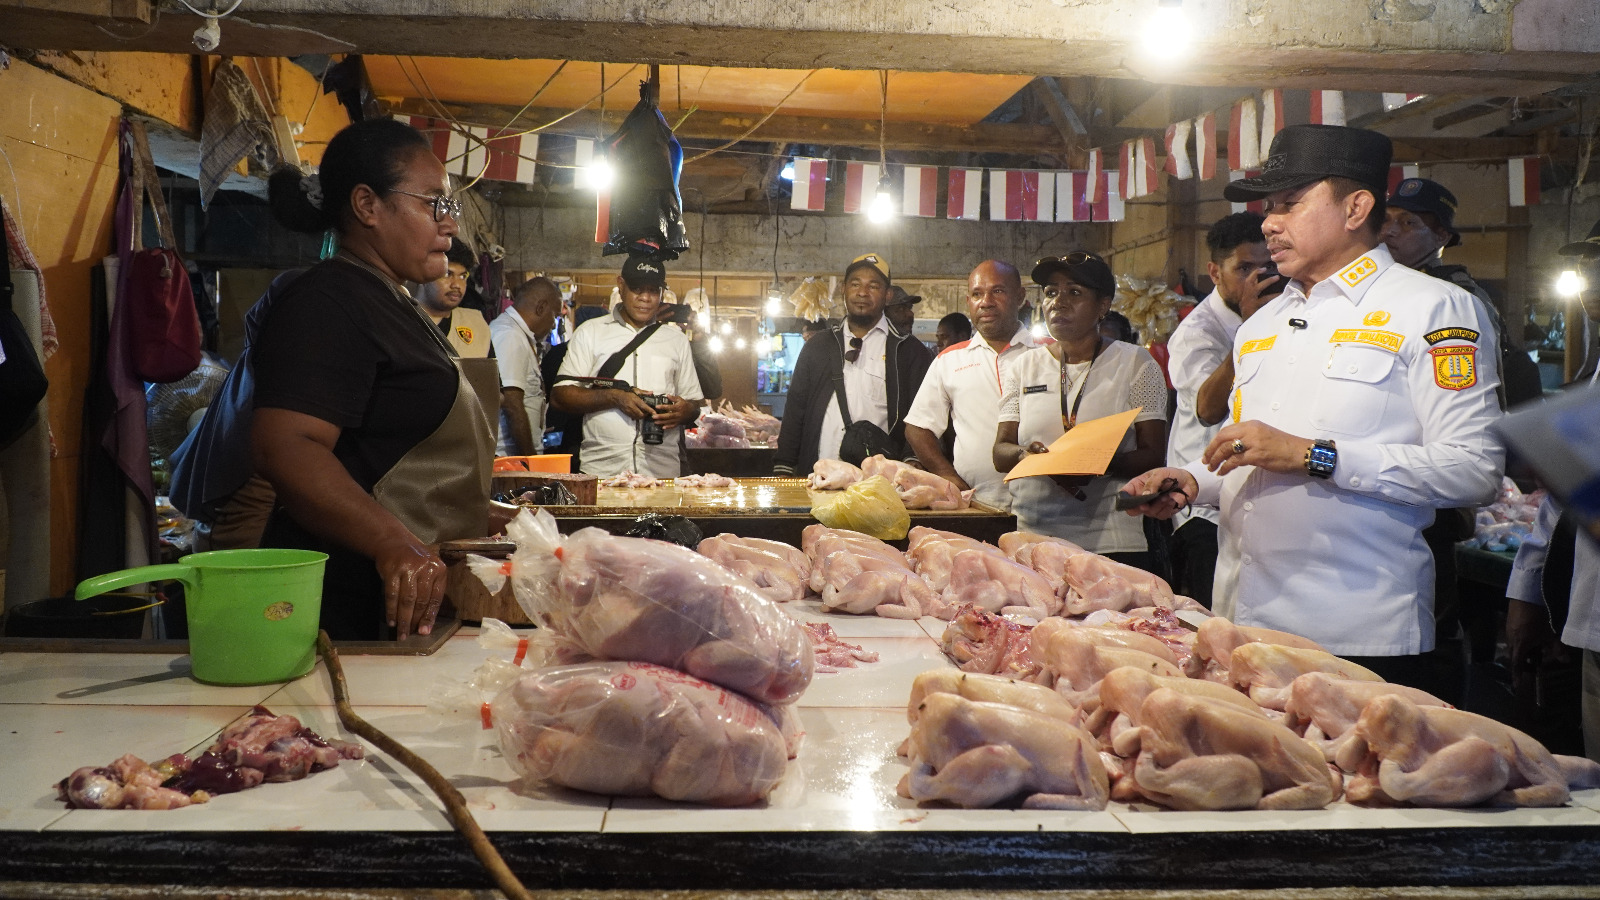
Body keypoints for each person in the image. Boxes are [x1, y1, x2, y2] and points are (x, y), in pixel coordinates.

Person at [1122, 124, 1504, 686]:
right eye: (1268, 207)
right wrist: (1192, 482)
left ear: (1356, 207)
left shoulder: (1434, 310)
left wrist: (1317, 456)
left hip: (1356, 636)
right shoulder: (1263, 324)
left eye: (1290, 204)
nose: (1269, 222)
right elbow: (1251, 455)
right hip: (1243, 624)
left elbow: (1473, 471)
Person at [253, 118, 503, 641]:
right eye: (432, 203)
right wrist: (393, 543)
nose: (449, 223)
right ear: (368, 205)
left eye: (449, 205)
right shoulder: (329, 300)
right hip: (354, 605)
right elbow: (287, 444)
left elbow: (394, 451)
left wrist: (489, 515)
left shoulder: (392, 300)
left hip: (413, 599)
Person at [993, 252, 1169, 567]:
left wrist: (1094, 463)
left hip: (1111, 540)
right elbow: (1000, 451)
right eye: (1050, 292)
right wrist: (1025, 456)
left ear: (1102, 306)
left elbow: (1154, 454)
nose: (1058, 302)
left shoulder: (1135, 363)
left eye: (1074, 292)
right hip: (1033, 535)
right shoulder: (1024, 366)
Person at [1505, 226, 1600, 762]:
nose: (1589, 279)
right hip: (1591, 622)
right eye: (1587, 265)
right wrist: (1528, 592)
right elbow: (1563, 502)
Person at [1163, 213, 1280, 606]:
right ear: (1214, 272)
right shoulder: (1198, 333)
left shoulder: (1282, 317)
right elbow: (1208, 410)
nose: (1256, 279)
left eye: (1266, 267)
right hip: (1201, 507)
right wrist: (1250, 328)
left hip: (1257, 495)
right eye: (1243, 268)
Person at [1382, 176, 1543, 410]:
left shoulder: (1459, 298)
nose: (1390, 231)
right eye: (1385, 220)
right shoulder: (1379, 285)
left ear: (1441, 236)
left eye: (1408, 223)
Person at [772, 253, 932, 476]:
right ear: (843, 290)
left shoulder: (909, 352)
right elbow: (795, 410)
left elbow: (922, 416)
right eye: (855, 284)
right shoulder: (818, 347)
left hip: (878, 487)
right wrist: (784, 467)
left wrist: (910, 464)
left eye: (873, 286)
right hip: (818, 479)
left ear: (887, 295)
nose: (862, 292)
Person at [903, 260, 1043, 511]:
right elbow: (917, 427)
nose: (986, 302)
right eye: (977, 294)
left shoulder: (1048, 354)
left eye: (997, 291)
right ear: (968, 302)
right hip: (978, 504)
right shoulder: (949, 360)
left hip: (1048, 503)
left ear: (1020, 297)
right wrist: (948, 476)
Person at [549, 257, 704, 478]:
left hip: (661, 473)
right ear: (621, 286)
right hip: (602, 471)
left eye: (653, 290)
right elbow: (560, 395)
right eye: (637, 289)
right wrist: (615, 397)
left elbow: (694, 401)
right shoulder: (590, 332)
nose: (645, 298)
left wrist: (684, 411)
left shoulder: (676, 340)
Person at [490, 275, 561, 456]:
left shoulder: (518, 335)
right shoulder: (510, 335)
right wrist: (529, 460)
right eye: (555, 316)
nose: (553, 325)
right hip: (508, 458)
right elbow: (512, 403)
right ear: (541, 308)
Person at [415, 238, 491, 358]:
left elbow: (491, 375)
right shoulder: (400, 321)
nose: (456, 284)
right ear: (422, 276)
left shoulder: (476, 323)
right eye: (447, 274)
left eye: (462, 276)